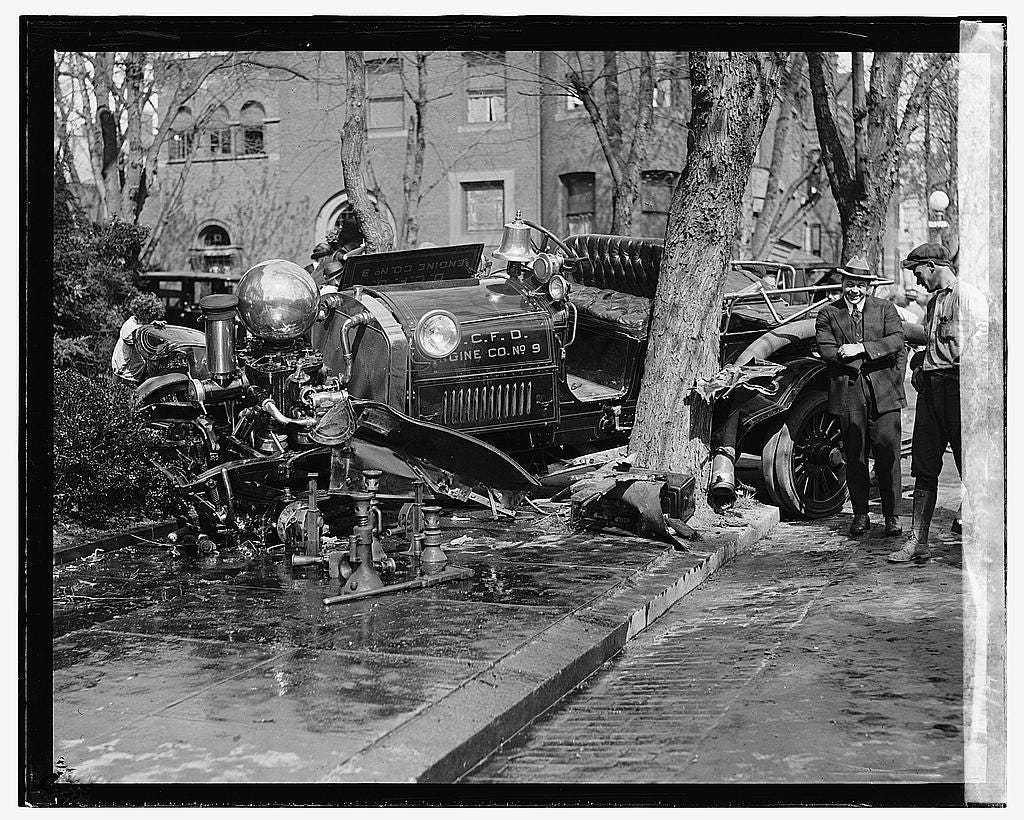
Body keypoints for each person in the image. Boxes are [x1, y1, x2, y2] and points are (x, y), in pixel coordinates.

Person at [887, 242, 988, 563]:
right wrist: (920, 366)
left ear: (932, 266)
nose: (917, 281)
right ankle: (918, 542)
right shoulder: (933, 303)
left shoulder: (967, 296)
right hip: (931, 393)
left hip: (959, 392)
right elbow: (933, 343)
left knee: (972, 472)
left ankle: (990, 546)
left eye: (918, 273)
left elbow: (984, 342)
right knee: (925, 468)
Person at [815, 255, 907, 537]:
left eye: (859, 284)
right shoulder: (829, 313)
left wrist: (860, 349)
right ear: (842, 284)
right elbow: (827, 349)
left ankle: (892, 516)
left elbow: (896, 341)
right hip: (849, 391)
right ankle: (861, 514)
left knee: (887, 452)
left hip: (884, 392)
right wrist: (865, 358)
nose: (854, 289)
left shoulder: (886, 309)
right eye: (849, 283)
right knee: (854, 454)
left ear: (869, 286)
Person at [111, 294, 165, 385]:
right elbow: (137, 335)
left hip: (133, 374)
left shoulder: (138, 323)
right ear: (143, 314)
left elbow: (141, 328)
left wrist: (152, 325)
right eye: (150, 316)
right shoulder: (129, 327)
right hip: (124, 375)